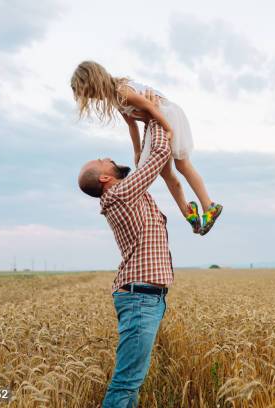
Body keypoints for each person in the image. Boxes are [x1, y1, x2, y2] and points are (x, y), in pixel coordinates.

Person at [77, 114, 172, 407]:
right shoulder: (119, 195)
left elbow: (142, 158)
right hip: (140, 298)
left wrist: (139, 124)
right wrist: (156, 113)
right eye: (102, 160)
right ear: (106, 178)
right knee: (127, 381)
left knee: (132, 381)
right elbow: (158, 154)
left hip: (145, 298)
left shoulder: (128, 193)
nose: (107, 157)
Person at [71, 60, 223, 235]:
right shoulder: (116, 99)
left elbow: (151, 106)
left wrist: (168, 128)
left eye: (90, 93)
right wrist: (137, 151)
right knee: (166, 174)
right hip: (156, 121)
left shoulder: (122, 91)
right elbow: (131, 125)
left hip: (165, 115)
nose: (92, 98)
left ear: (94, 82)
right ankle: (189, 213)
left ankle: (208, 205)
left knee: (182, 165)